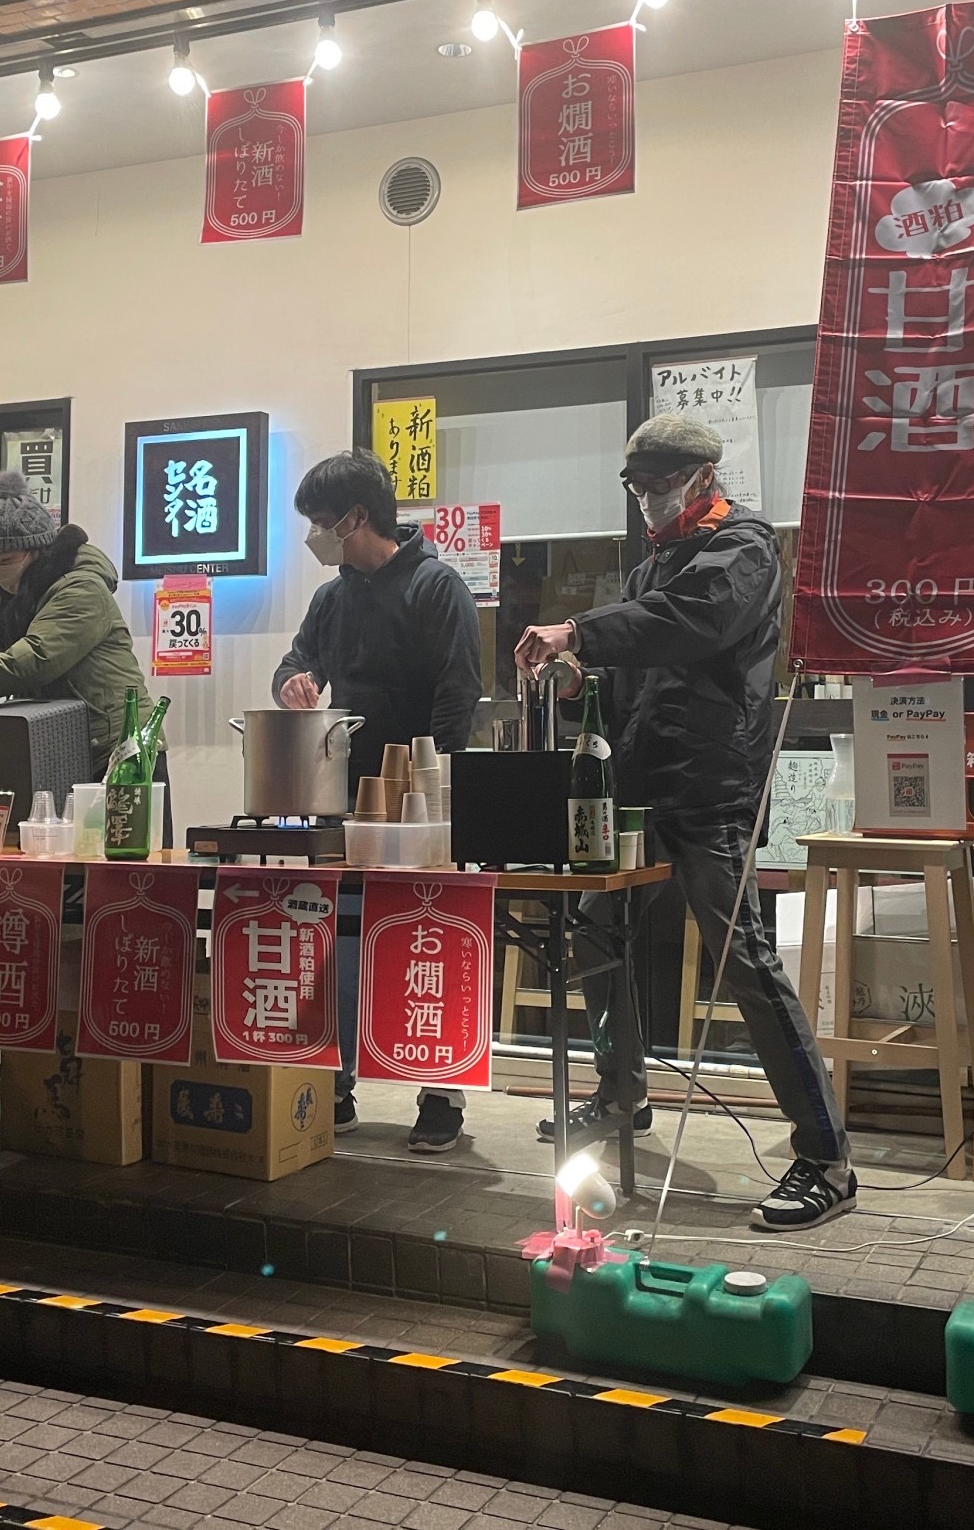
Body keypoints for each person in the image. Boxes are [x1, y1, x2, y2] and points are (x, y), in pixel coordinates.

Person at [514, 415, 856, 1231]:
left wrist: (580, 629)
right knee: (596, 929)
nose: (648, 498)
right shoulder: (653, 564)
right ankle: (620, 1092)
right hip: (641, 785)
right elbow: (638, 675)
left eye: (661, 482)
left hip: (711, 786)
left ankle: (826, 1156)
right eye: (638, 486)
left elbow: (688, 620)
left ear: (703, 476)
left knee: (745, 958)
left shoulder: (744, 549)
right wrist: (581, 681)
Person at [273, 449, 482, 1154]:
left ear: (357, 518)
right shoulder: (331, 598)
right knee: (339, 937)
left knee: (429, 940)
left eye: (321, 522)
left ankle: (441, 1095)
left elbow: (459, 692)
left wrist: (432, 787)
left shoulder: (435, 585)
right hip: (344, 797)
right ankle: (336, 1082)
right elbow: (295, 660)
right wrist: (292, 682)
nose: (315, 536)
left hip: (422, 797)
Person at [0, 469, 149, 763]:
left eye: (7, 560)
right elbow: (15, 660)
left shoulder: (82, 590)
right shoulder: (33, 593)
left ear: (39, 551)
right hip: (74, 742)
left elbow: (29, 664)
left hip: (119, 747)